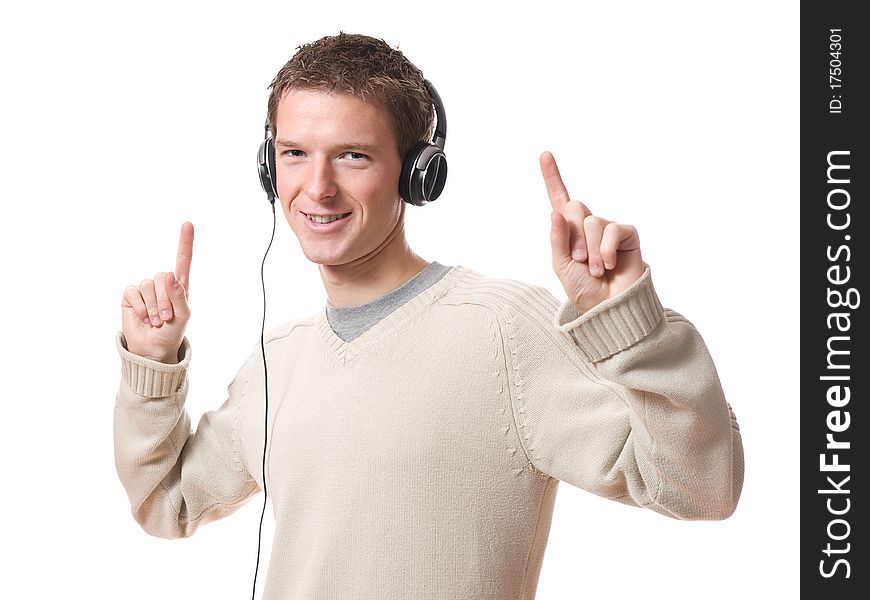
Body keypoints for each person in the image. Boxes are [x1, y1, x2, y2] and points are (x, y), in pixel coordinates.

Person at [115, 32, 744, 599]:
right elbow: (166, 502)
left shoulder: (501, 331)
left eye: (354, 156)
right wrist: (152, 365)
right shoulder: (277, 360)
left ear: (418, 174)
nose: (317, 187)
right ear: (267, 166)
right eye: (295, 153)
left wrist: (634, 329)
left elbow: (698, 486)